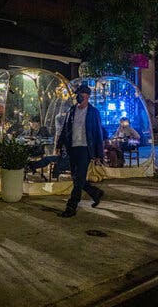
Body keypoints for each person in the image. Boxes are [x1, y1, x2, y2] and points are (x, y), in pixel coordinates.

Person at [56, 84, 105, 217]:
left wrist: (99, 155)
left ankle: (71, 207)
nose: (78, 96)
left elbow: (98, 133)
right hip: (73, 148)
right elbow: (65, 128)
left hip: (85, 149)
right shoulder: (72, 110)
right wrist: (59, 144)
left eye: (81, 94)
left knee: (79, 180)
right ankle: (95, 192)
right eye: (77, 94)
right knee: (76, 178)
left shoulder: (93, 112)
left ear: (87, 96)